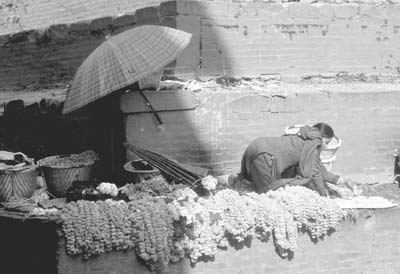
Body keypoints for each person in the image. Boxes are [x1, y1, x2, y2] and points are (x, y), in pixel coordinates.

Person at [231, 123, 353, 196]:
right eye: (326, 142)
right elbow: (314, 172)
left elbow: (319, 168)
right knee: (268, 194)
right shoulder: (314, 143)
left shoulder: (307, 138)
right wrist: (323, 193)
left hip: (256, 145)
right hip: (265, 155)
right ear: (322, 137)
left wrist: (342, 181)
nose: (325, 146)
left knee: (253, 185)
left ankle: (236, 182)